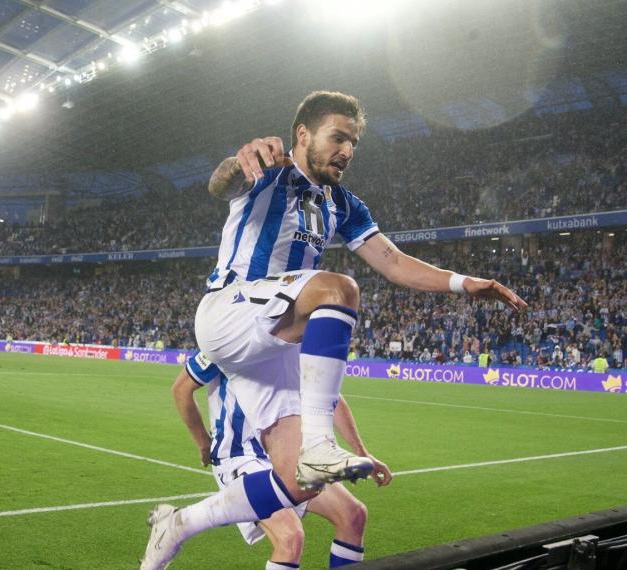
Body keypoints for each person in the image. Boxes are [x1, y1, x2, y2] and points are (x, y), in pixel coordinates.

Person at [141, 91, 526, 569]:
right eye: (338, 137)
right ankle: (320, 444)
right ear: (303, 135)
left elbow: (393, 262)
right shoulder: (269, 172)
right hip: (229, 312)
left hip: (275, 338)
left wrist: (463, 284)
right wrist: (236, 163)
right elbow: (222, 184)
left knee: (300, 483)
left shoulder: (343, 204)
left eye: (354, 142)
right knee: (338, 287)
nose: (347, 150)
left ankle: (178, 524)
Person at [164, 351, 391, 569]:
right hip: (239, 456)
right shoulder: (232, 335)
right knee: (290, 538)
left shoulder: (298, 341)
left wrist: (362, 452)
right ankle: (173, 525)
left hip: (286, 452)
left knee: (353, 515)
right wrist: (203, 442)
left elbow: (328, 396)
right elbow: (182, 388)